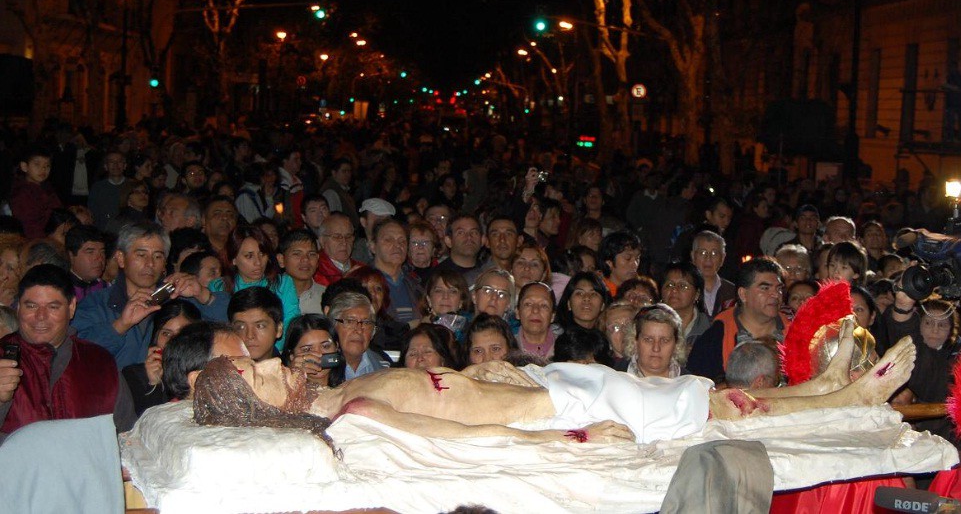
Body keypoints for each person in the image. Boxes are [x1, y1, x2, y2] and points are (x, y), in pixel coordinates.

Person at [189, 306, 918, 449]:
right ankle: (834, 395)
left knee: (687, 394)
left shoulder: (350, 387)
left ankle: (823, 390)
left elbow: (456, 390)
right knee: (703, 409)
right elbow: (470, 439)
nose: (269, 360)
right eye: (256, 375)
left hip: (551, 381)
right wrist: (568, 436)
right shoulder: (351, 416)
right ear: (268, 407)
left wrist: (501, 369)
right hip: (552, 408)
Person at [0, 264, 136, 444]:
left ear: (71, 307)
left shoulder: (100, 364)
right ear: (18, 308)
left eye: (53, 307)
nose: (41, 316)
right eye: (31, 306)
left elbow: (127, 436)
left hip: (85, 471)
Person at [72, 221, 229, 369]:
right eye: (141, 255)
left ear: (164, 264)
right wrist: (120, 325)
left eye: (158, 256)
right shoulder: (97, 303)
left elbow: (229, 330)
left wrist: (204, 296)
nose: (150, 263)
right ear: (120, 258)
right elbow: (78, 353)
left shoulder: (177, 299)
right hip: (118, 394)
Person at [687, 257, 791, 383]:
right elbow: (698, 387)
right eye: (765, 288)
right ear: (743, 294)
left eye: (779, 288)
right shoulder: (716, 337)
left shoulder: (795, 334)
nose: (776, 295)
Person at [209, 225, 301, 349]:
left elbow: (290, 325)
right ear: (234, 259)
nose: (258, 262)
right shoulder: (218, 287)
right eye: (249, 256)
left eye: (262, 254)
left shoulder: (282, 282)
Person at [122, 299, 201, 416]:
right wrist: (154, 383)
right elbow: (144, 426)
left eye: (181, 334)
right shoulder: (133, 375)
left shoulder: (203, 373)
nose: (172, 341)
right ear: (155, 336)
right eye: (166, 333)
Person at [327, 289, 390, 379]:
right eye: (350, 321)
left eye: (366, 322)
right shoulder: (320, 367)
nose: (359, 330)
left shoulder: (384, 367)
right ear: (332, 326)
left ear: (373, 331)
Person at [368, 219, 419, 324]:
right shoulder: (363, 283)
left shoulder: (415, 284)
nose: (397, 246)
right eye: (388, 240)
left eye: (402, 241)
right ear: (373, 246)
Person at [10, 144, 61, 239]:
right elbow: (29, 225)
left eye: (47, 165)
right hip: (37, 243)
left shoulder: (47, 188)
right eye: (37, 164)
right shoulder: (22, 193)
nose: (43, 169)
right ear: (24, 166)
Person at [281, 314, 344, 388]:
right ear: (292, 356)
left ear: (337, 347)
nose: (318, 354)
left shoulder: (349, 389)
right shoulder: (281, 391)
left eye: (325, 346)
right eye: (307, 349)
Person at [628, 303, 687, 378]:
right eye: (648, 340)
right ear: (635, 341)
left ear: (676, 344)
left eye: (664, 340)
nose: (656, 348)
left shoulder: (693, 385)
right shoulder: (613, 379)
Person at [660, 262, 711, 345]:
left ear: (697, 294)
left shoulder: (710, 328)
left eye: (683, 286)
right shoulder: (648, 324)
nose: (674, 290)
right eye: (669, 285)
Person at [229, 287, 285, 362]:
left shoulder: (292, 371)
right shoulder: (219, 370)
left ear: (278, 329)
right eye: (241, 327)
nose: (250, 336)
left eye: (260, 326)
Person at [276, 229, 324, 315]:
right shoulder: (269, 293)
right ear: (281, 260)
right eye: (297, 254)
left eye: (311, 254)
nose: (305, 259)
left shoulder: (327, 297)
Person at [692, 231, 737, 316]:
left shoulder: (733, 292)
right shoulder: (685, 290)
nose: (708, 258)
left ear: (723, 258)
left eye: (714, 253)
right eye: (703, 252)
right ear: (693, 256)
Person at [313, 213, 363, 288]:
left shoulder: (362, 270)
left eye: (348, 236)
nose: (344, 242)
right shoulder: (313, 272)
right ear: (322, 241)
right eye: (337, 237)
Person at [513, 281, 558, 361]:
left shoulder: (567, 347)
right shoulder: (506, 348)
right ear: (517, 312)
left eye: (544, 305)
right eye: (528, 304)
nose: (535, 310)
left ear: (552, 316)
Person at [65, 225, 108, 305]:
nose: (99, 258)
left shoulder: (106, 288)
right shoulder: (61, 290)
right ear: (71, 256)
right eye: (90, 252)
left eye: (102, 252)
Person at [437, 214, 484, 284]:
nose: (469, 237)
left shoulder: (489, 272)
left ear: (482, 240)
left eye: (474, 232)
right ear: (448, 241)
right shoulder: (437, 277)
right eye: (461, 233)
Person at [88, 150, 126, 232]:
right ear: (105, 166)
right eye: (111, 162)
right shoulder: (97, 187)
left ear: (124, 165)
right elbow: (93, 213)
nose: (116, 165)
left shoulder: (133, 186)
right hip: (104, 232)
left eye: (119, 161)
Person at [352, 197, 396, 265]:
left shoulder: (397, 247)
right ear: (363, 222)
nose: (383, 224)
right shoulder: (355, 251)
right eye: (379, 219)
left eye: (387, 220)